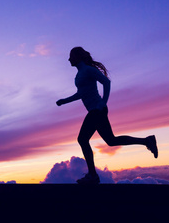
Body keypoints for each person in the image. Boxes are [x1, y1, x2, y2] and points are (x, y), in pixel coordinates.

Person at [56, 47, 158, 184]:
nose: (69, 59)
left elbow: (106, 82)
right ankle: (147, 141)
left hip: (97, 110)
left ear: (77, 57)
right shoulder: (80, 74)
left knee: (82, 139)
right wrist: (64, 101)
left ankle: (93, 176)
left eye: (71, 56)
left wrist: (103, 102)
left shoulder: (88, 70)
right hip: (95, 111)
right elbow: (81, 94)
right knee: (111, 140)